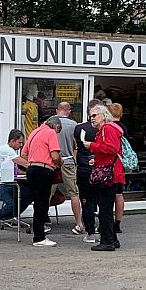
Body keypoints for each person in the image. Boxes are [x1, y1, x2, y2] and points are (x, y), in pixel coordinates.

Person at [83, 104, 125, 252]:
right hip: (110, 170)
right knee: (105, 207)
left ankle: (107, 241)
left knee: (105, 209)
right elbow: (110, 150)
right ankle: (112, 239)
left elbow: (112, 148)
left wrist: (92, 146)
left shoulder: (108, 128)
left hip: (110, 174)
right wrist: (97, 159)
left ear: (103, 115)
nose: (91, 119)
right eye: (90, 116)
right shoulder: (107, 129)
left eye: (94, 115)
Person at [22, 115, 62, 247]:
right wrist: (60, 162)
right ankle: (39, 237)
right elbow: (55, 155)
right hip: (44, 170)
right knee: (42, 204)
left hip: (32, 169)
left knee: (38, 203)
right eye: (58, 131)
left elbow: (24, 154)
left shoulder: (34, 132)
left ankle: (38, 233)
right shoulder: (50, 133)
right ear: (56, 126)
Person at [0, 129, 33, 225]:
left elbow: (16, 170)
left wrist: (26, 173)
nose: (21, 145)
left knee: (29, 194)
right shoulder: (6, 150)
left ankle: (11, 215)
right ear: (12, 141)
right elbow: (21, 162)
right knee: (13, 201)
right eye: (19, 142)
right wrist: (34, 167)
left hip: (9, 183)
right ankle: (2, 215)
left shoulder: (11, 153)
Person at [53, 101, 84, 235]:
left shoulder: (48, 123)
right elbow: (78, 145)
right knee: (74, 193)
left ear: (57, 110)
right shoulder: (74, 125)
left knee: (47, 192)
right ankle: (79, 223)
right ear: (69, 111)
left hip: (52, 161)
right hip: (69, 161)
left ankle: (41, 221)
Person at [74, 99, 102, 243]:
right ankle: (103, 230)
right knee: (103, 201)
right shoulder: (104, 129)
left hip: (85, 167)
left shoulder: (80, 128)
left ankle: (90, 232)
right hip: (101, 168)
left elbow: (78, 145)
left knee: (86, 201)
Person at [109, 103, 127, 233]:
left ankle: (109, 221)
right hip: (120, 164)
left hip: (111, 165)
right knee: (119, 194)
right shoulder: (124, 128)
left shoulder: (109, 127)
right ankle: (118, 223)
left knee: (109, 196)